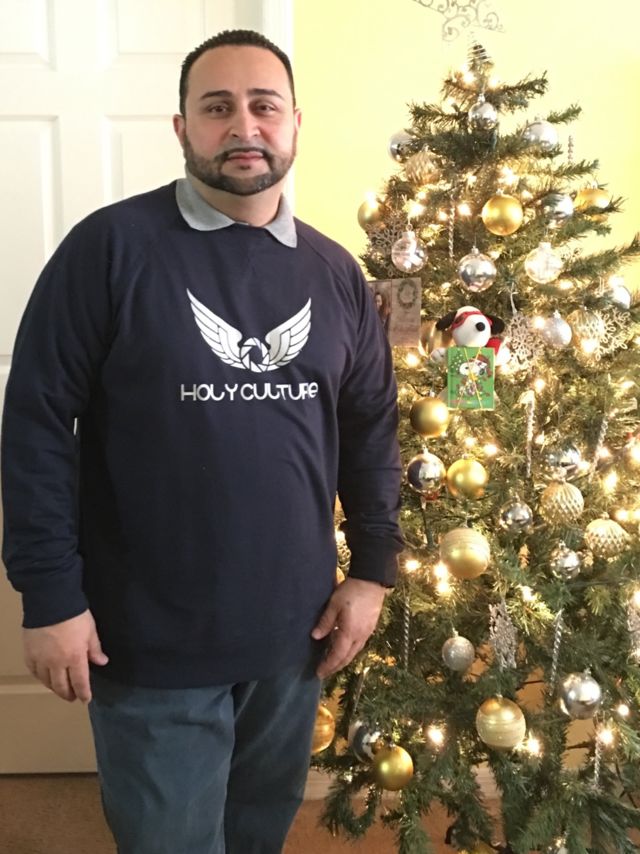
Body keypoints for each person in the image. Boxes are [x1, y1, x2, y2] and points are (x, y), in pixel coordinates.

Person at [1, 28, 403, 854]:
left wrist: (371, 571)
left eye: (264, 106)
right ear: (183, 127)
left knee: (256, 836)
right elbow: (36, 423)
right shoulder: (109, 250)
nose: (243, 126)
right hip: (147, 636)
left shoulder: (334, 273)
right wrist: (50, 597)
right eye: (217, 108)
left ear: (295, 123)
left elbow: (370, 429)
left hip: (294, 636)